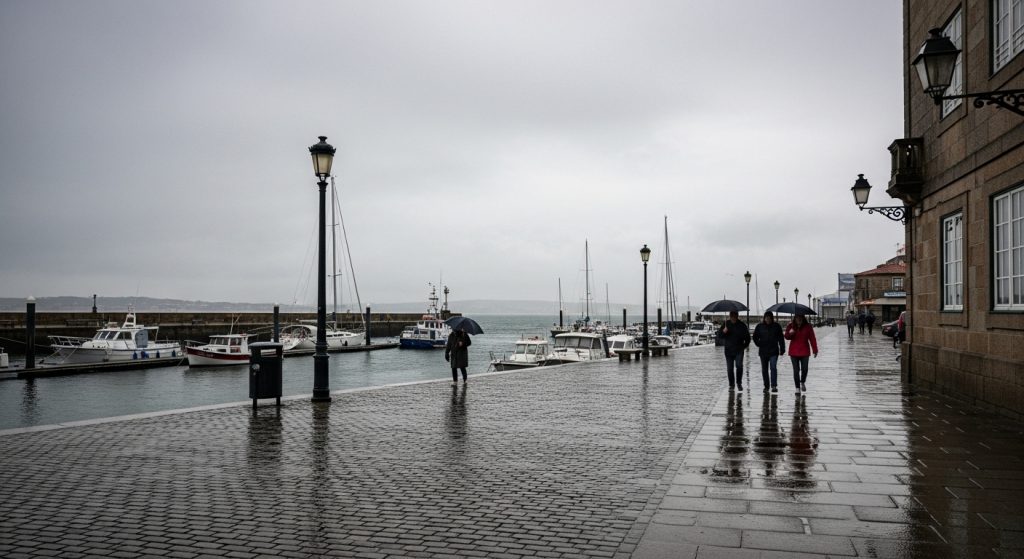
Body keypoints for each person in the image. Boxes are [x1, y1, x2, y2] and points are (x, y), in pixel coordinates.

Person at [752, 311, 785, 393]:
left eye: (769, 318)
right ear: (764, 318)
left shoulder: (777, 326)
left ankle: (774, 385)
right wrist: (758, 344)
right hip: (763, 352)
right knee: (764, 369)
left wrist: (782, 348)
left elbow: (781, 338)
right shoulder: (760, 326)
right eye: (766, 318)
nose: (768, 319)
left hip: (774, 351)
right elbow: (755, 337)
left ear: (772, 318)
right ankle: (766, 386)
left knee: (773, 367)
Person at [784, 313, 818, 394]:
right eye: (797, 318)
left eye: (800, 317)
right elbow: (786, 336)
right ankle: (797, 388)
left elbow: (812, 338)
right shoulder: (791, 326)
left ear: (803, 318)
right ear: (794, 318)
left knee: (805, 369)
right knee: (796, 370)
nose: (798, 319)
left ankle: (802, 381)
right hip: (793, 352)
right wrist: (790, 333)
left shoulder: (808, 326)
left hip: (805, 351)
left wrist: (815, 350)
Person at [718, 310, 750, 392]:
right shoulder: (726, 324)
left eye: (734, 316)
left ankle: (739, 383)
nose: (733, 318)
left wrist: (744, 346)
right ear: (729, 316)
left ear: (737, 316)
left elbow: (748, 338)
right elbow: (719, 336)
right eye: (731, 316)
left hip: (739, 350)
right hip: (728, 350)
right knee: (730, 369)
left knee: (739, 366)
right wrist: (723, 332)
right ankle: (731, 385)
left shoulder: (742, 325)